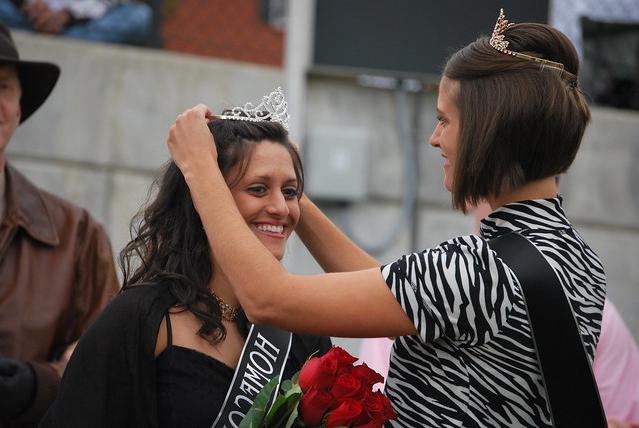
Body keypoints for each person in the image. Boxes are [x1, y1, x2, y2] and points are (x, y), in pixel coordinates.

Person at [166, 9, 606, 427]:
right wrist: (288, 196)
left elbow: (267, 299)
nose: (435, 139)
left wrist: (201, 169)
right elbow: (394, 289)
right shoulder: (577, 260)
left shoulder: (475, 270)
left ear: (488, 131)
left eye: (445, 121)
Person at [40, 93, 332, 427]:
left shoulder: (303, 331)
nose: (281, 208)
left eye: (291, 192)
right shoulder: (140, 319)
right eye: (258, 189)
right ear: (207, 196)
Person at [0, 22, 118, 427]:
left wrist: (37, 384)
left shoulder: (76, 235)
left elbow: (109, 371)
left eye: (3, 86)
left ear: (19, 107)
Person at [0, 0, 152, 45]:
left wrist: (68, 15)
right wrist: (27, 4)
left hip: (80, 26)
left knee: (139, 16)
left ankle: (68, 41)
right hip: (26, 17)